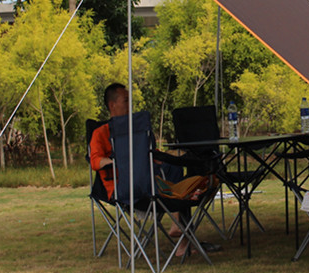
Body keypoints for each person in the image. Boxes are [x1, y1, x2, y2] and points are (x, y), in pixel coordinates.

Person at [89, 83, 217, 256]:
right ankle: (181, 230)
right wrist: (116, 163)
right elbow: (95, 160)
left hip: (148, 180)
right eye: (126, 101)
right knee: (175, 190)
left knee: (177, 173)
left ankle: (180, 229)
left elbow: (150, 153)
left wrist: (164, 157)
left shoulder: (137, 131)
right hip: (123, 188)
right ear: (112, 105)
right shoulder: (101, 133)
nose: (130, 105)